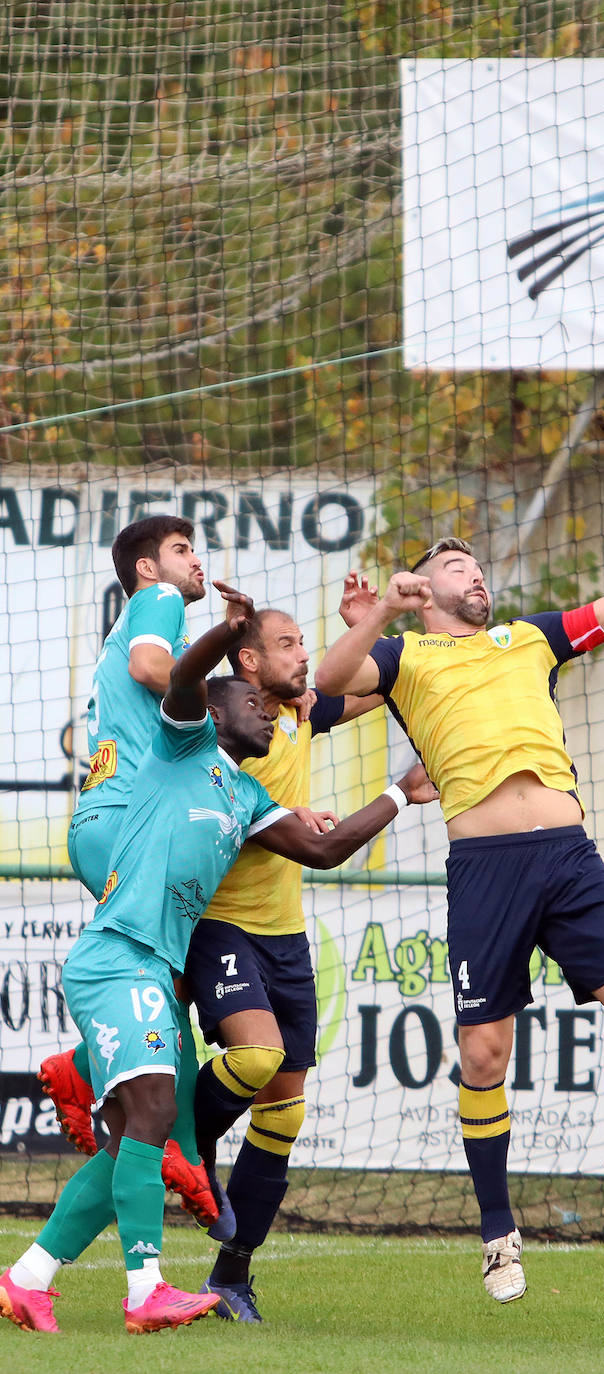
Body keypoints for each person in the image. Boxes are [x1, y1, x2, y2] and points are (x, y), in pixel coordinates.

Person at [314, 480, 604, 1302]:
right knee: (483, 1053)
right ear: (424, 589)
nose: (476, 577)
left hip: (568, 857)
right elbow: (326, 682)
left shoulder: (527, 637)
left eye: (476, 567)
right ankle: (499, 1236)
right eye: (458, 566)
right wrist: (377, 615)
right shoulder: (406, 657)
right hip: (486, 871)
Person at [0, 583, 435, 1335]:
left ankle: (28, 1279)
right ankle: (145, 1290)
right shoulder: (185, 742)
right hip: (119, 959)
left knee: (140, 1137)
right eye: (255, 704)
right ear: (220, 703)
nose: (270, 713)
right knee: (157, 1117)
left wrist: (398, 792)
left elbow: (325, 850)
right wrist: (227, 628)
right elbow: (180, 678)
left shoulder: (244, 799)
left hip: (145, 966)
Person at [185, 587, 384, 1323]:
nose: (303, 655)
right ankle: (190, 1145)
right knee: (258, 1059)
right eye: (289, 643)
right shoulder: (217, 732)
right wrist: (401, 791)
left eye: (307, 644)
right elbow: (306, 843)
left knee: (283, 1117)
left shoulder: (297, 717)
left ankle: (231, 1276)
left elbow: (370, 687)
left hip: (285, 936)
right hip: (218, 926)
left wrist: (365, 630)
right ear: (248, 658)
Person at [40, 515, 218, 1225]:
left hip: (111, 823)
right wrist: (214, 706)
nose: (195, 560)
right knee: (161, 976)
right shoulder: (161, 604)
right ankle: (183, 1151)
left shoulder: (151, 617)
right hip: (126, 822)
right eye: (182, 550)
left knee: (165, 977)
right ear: (148, 568)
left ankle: (84, 1069)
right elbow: (153, 668)